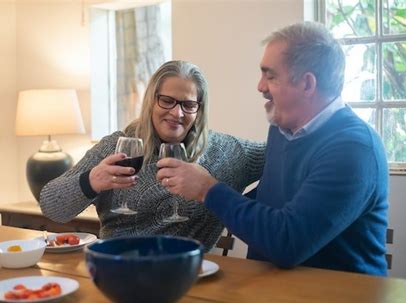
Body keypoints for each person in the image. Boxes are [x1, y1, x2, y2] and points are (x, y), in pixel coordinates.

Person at [156, 22, 389, 276]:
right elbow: (269, 200)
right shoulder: (281, 130)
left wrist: (206, 189)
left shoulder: (353, 149)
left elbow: (286, 243)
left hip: (341, 301)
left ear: (307, 84)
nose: (260, 86)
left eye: (270, 76)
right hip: (272, 288)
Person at [40, 60, 265, 250]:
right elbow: (52, 207)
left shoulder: (224, 153)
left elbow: (279, 153)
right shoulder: (115, 147)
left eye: (188, 105)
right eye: (167, 101)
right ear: (151, 100)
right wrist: (92, 180)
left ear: (200, 109)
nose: (176, 113)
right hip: (121, 269)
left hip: (191, 275)